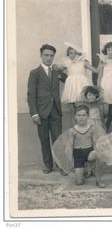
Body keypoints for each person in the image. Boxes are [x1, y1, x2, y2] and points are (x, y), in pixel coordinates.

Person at [27, 44, 68, 175]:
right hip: (42, 112)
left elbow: (68, 80)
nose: (49, 58)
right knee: (44, 139)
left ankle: (61, 165)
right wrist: (34, 113)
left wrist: (61, 71)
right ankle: (48, 165)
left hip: (55, 110)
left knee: (58, 139)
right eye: (46, 55)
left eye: (51, 55)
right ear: (41, 56)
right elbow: (31, 94)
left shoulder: (56, 72)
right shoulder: (34, 73)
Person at [52, 105, 106, 187]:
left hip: (89, 152)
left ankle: (98, 179)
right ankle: (82, 173)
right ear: (75, 117)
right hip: (78, 155)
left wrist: (97, 152)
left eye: (84, 115)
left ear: (88, 116)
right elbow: (69, 146)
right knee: (79, 182)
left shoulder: (92, 128)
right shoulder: (72, 131)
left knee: (100, 156)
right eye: (79, 115)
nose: (81, 117)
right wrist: (70, 160)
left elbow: (95, 143)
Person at [58, 42, 97, 117]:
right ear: (68, 54)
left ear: (78, 54)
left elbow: (95, 70)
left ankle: (85, 123)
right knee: (73, 108)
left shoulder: (83, 62)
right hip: (71, 85)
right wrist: (62, 77)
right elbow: (58, 70)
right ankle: (75, 125)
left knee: (83, 104)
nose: (72, 55)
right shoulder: (67, 62)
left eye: (75, 53)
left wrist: (103, 64)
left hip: (81, 84)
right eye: (70, 53)